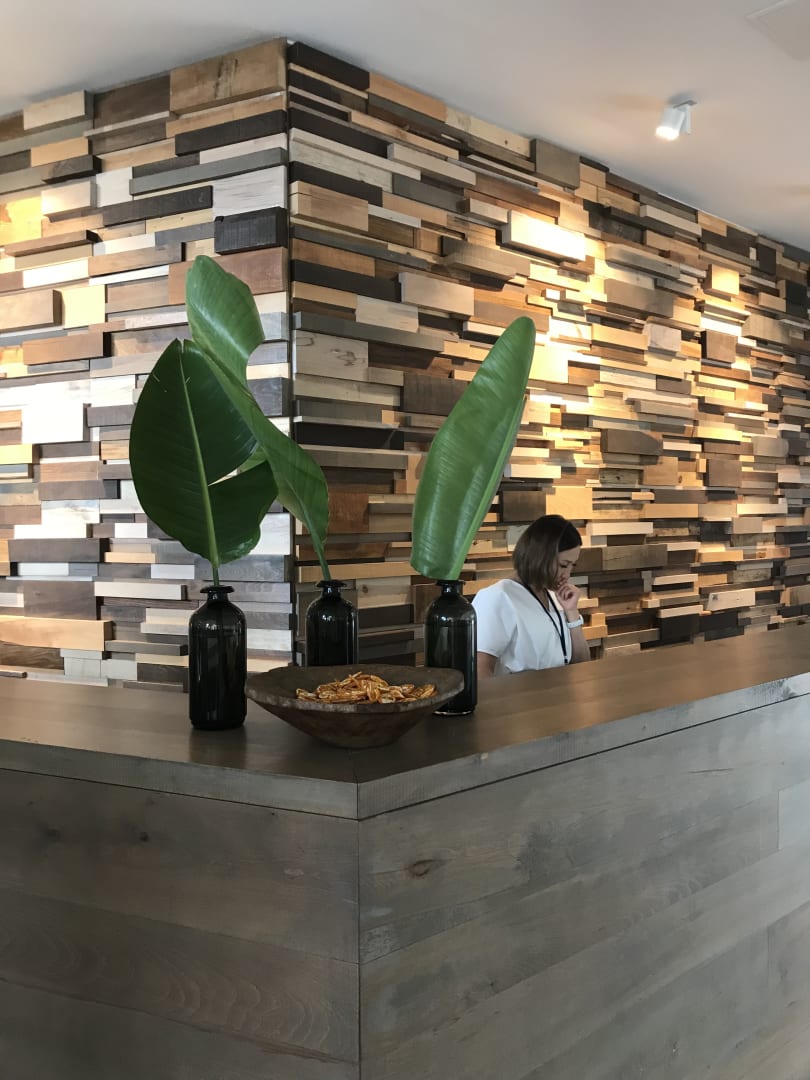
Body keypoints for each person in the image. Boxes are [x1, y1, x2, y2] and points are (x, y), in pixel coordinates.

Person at [473, 514, 589, 678]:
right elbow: (480, 671)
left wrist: (572, 613)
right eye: (563, 565)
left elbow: (582, 664)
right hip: (520, 695)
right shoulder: (497, 597)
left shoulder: (555, 596)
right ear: (539, 556)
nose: (567, 575)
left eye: (572, 565)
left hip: (561, 692)